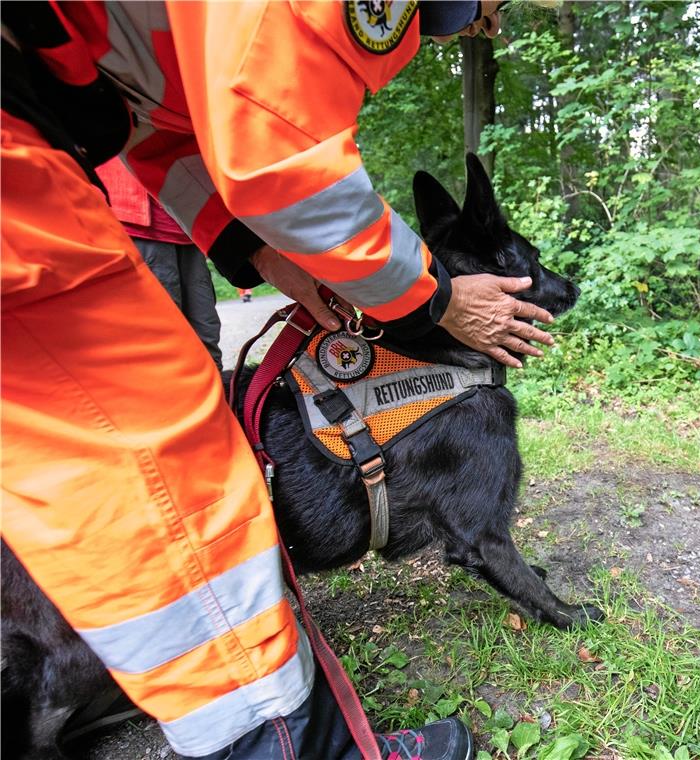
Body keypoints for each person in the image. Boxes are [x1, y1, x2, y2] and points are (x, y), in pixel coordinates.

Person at [1, 2, 545, 759]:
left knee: (50, 464)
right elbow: (278, 143)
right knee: (160, 456)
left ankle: (58, 687)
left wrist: (260, 253)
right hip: (16, 158)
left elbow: (166, 127)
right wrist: (437, 302)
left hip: (38, 119)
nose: (491, 22)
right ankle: (292, 746)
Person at [97, 157, 224, 371]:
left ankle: (219, 397)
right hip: (135, 219)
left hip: (187, 223)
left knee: (206, 330)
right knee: (164, 334)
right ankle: (178, 399)